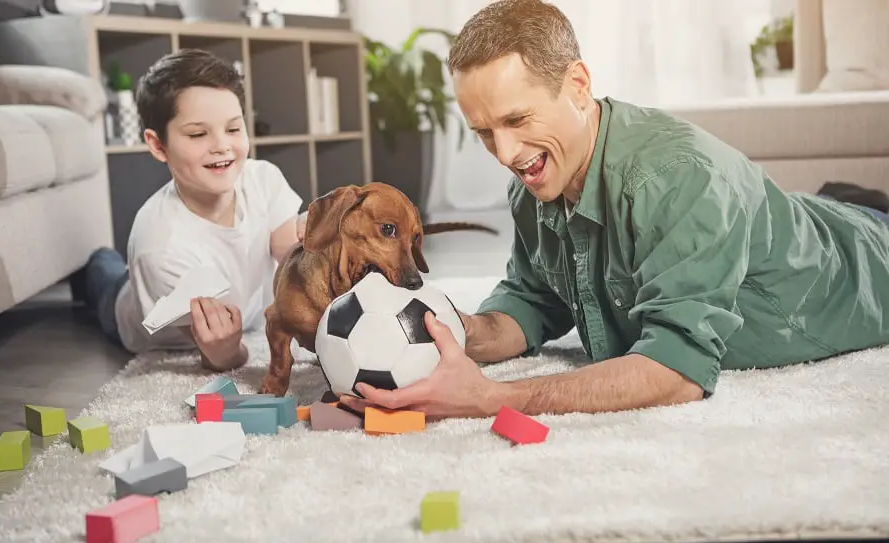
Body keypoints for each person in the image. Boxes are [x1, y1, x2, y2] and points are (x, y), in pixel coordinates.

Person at [339, 0, 889, 419]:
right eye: (484, 133)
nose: (505, 154)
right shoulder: (536, 183)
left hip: (865, 259)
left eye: (517, 120)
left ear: (577, 85)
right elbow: (531, 303)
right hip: (800, 214)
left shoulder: (680, 180)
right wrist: (443, 330)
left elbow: (677, 371)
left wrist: (491, 397)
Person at [74, 48, 306, 371]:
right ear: (158, 145)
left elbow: (294, 261)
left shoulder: (262, 179)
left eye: (234, 129)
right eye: (198, 134)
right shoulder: (159, 251)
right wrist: (227, 352)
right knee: (102, 279)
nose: (222, 145)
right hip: (135, 314)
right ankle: (88, 268)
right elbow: (220, 354)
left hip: (219, 299)